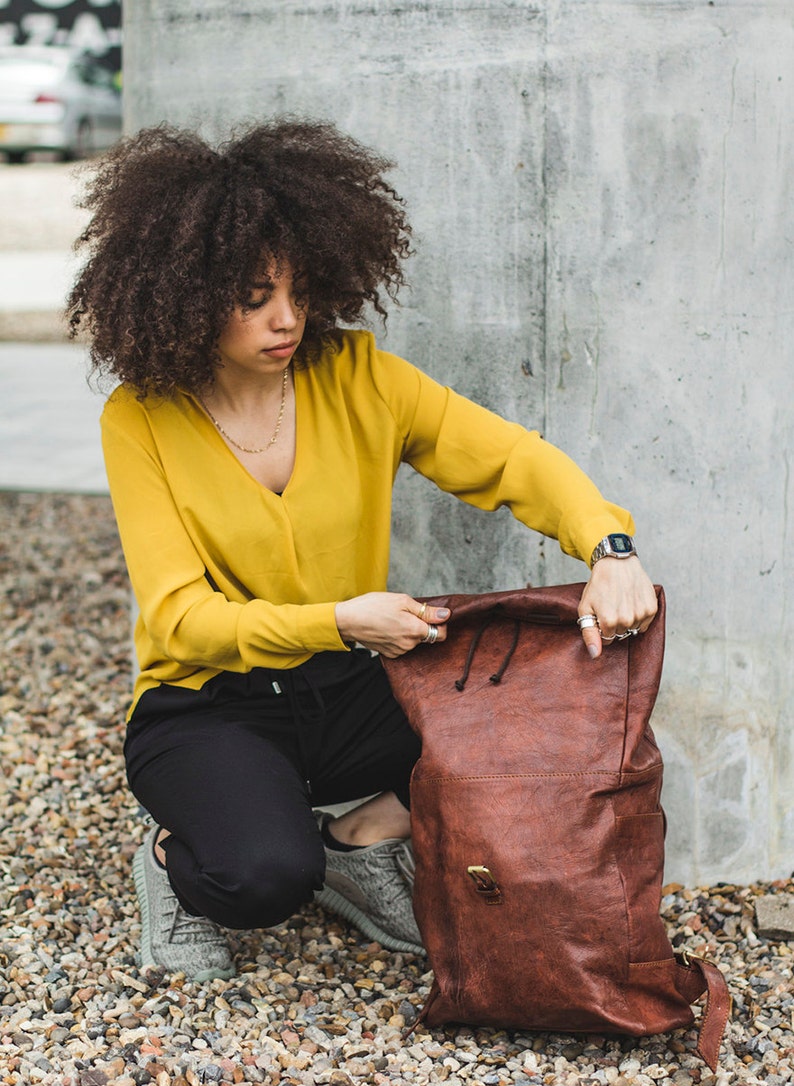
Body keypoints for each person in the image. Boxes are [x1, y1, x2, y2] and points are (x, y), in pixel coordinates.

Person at [67, 120, 657, 982]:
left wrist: (609, 544)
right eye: (254, 295)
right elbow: (182, 620)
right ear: (185, 293)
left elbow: (508, 458)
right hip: (210, 704)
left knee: (538, 727)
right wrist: (341, 619)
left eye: (299, 290)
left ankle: (360, 838)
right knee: (266, 877)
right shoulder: (143, 415)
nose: (288, 318)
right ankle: (170, 860)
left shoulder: (360, 375)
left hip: (351, 688)